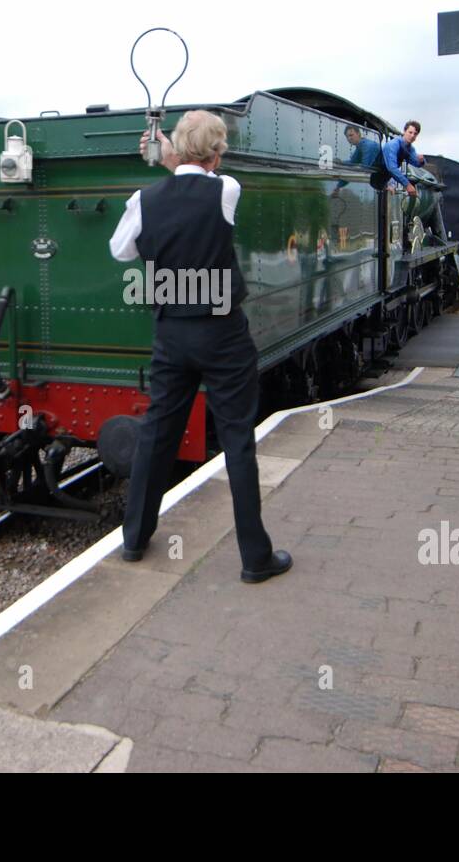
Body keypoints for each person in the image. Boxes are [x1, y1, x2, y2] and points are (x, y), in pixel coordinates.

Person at [108, 110, 292, 584]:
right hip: (223, 334)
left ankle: (133, 539)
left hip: (172, 333)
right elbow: (203, 176)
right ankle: (255, 558)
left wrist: (165, 170)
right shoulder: (226, 190)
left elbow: (120, 250)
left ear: (176, 150)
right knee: (237, 440)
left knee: (156, 434)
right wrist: (180, 160)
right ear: (215, 154)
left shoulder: (143, 199)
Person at [379, 120, 424, 197]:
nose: (412, 135)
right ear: (404, 131)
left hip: (386, 179)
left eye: (415, 134)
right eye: (410, 132)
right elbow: (392, 168)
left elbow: (416, 163)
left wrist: (421, 161)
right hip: (376, 176)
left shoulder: (410, 148)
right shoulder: (393, 145)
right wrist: (408, 185)